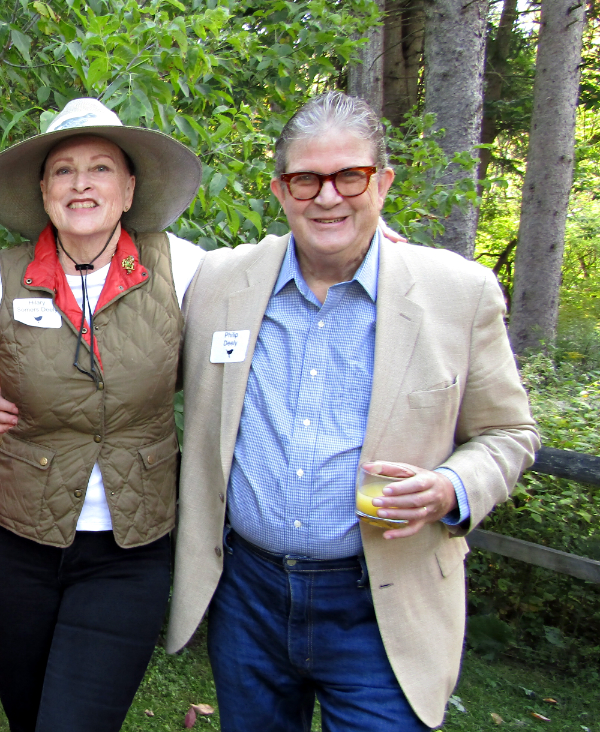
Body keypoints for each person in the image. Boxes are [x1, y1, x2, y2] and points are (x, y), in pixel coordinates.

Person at [165, 91, 540, 731]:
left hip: (383, 602)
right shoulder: (219, 282)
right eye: (306, 178)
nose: (328, 197)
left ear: (383, 182)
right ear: (281, 188)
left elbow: (510, 432)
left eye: (350, 176)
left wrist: (453, 486)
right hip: (247, 596)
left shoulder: (458, 293)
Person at [0, 97, 203, 732]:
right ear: (42, 189)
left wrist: (368, 240)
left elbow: (270, 290)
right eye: (63, 170)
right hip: (14, 545)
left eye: (101, 168)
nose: (81, 183)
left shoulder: (184, 268)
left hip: (128, 548)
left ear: (130, 186)